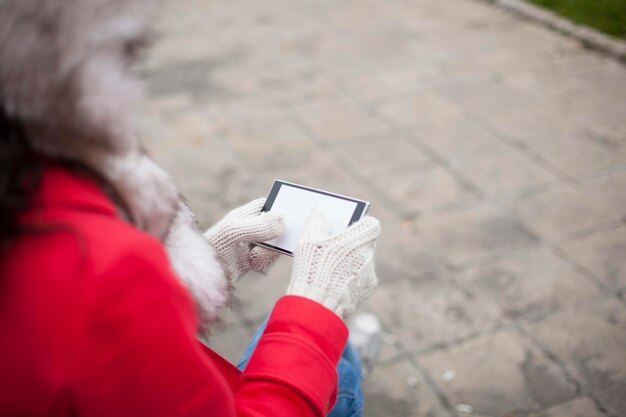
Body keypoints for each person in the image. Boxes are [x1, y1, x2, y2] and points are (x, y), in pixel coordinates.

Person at [0, 0, 382, 416]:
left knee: (332, 352)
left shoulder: (24, 201)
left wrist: (192, 272)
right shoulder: (99, 265)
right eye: (125, 58)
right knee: (336, 369)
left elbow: (101, 353)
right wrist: (317, 307)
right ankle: (347, 367)